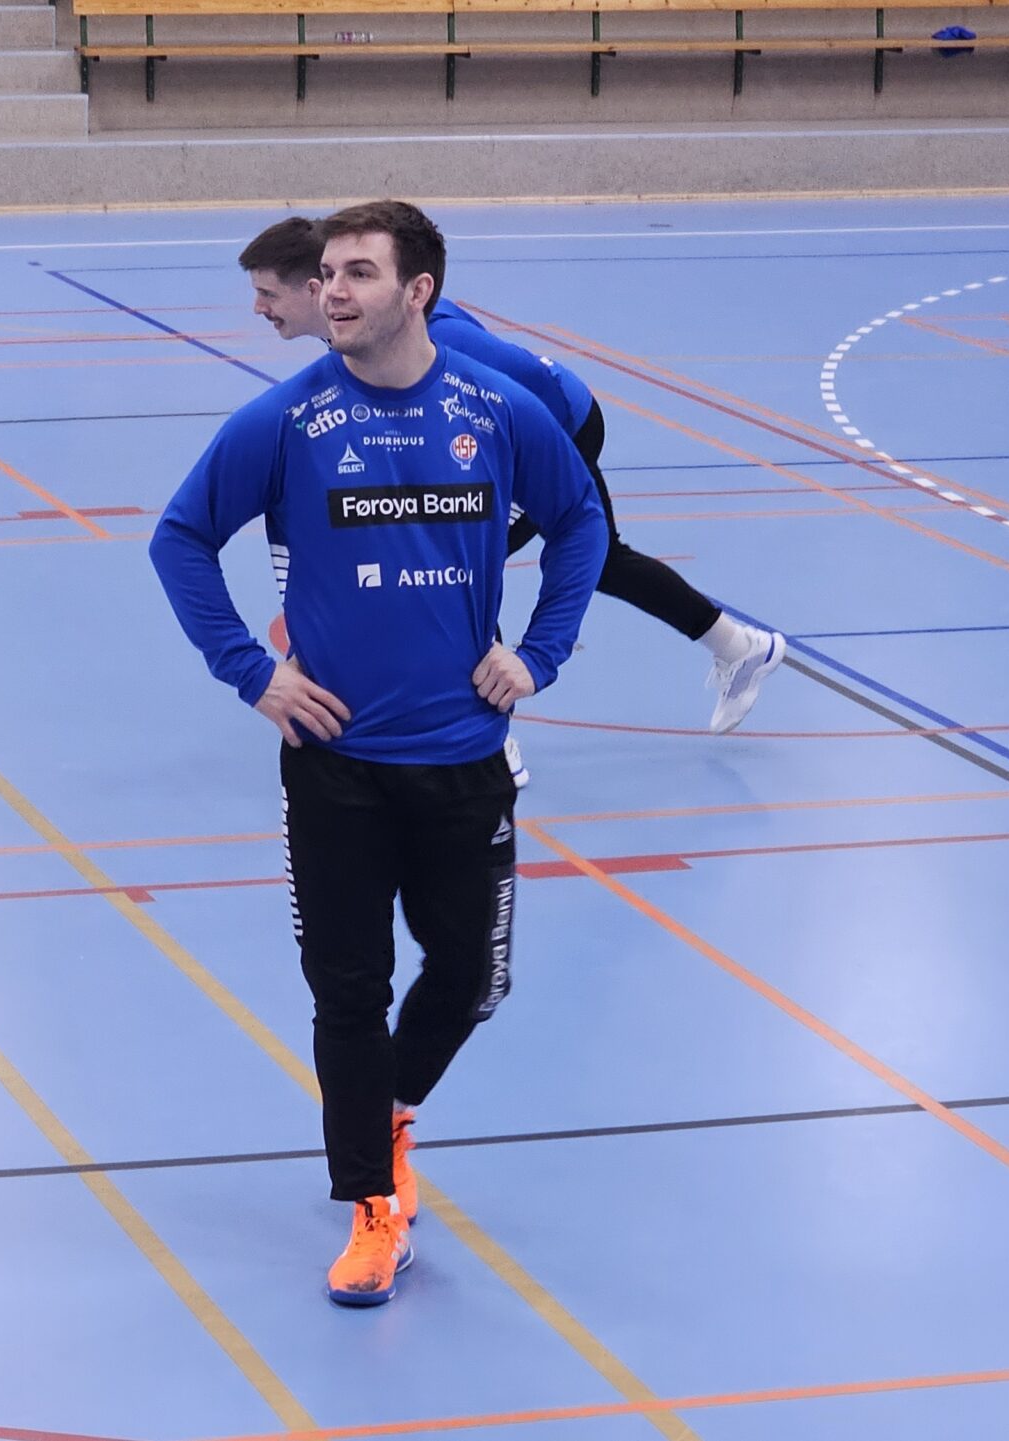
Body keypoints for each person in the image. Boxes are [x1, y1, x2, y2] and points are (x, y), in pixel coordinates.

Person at [153, 201, 608, 1307]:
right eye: (328, 273)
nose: (334, 290)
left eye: (359, 272)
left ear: (418, 291)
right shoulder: (286, 419)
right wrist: (252, 673)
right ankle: (371, 1204)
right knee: (347, 990)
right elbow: (180, 537)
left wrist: (539, 653)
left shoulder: (494, 409)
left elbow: (582, 520)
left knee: (472, 976)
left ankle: (389, 1111)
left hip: (463, 756)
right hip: (335, 763)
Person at [238, 216, 787, 783]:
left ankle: (491, 740)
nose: (258, 308)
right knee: (601, 561)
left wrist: (530, 468)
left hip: (560, 428)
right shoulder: (361, 333)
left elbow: (529, 390)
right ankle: (740, 646)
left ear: (311, 289)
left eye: (267, 293)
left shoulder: (434, 336)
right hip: (522, 433)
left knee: (450, 563)